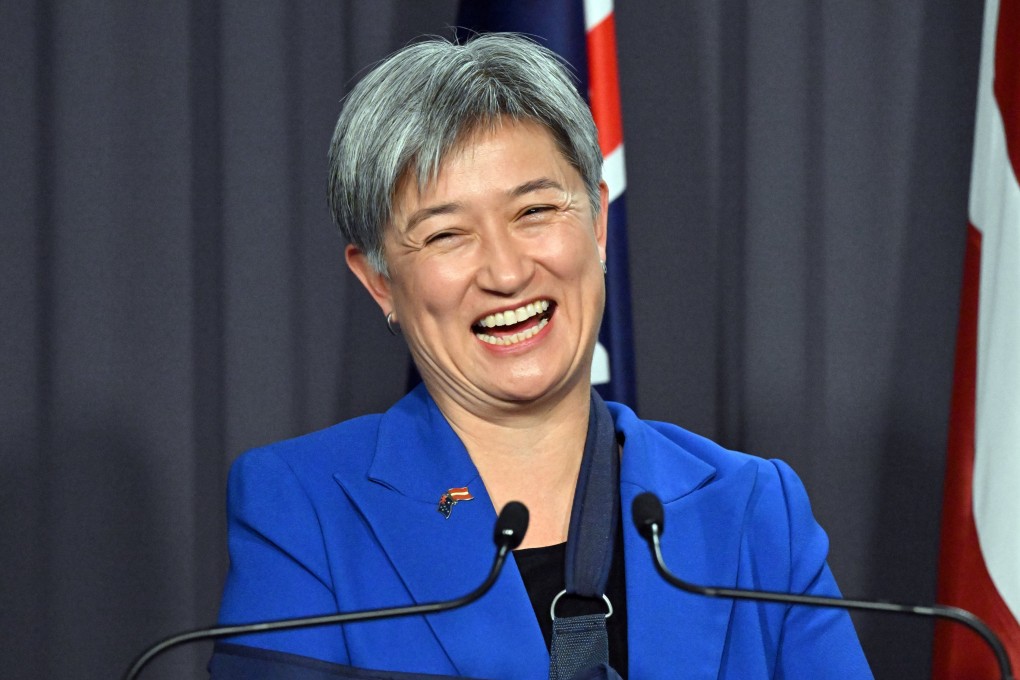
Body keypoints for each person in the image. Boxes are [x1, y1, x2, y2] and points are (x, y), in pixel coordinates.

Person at [210, 33, 872, 679]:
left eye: (534, 211)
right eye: (446, 234)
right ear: (378, 281)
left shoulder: (755, 511)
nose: (505, 271)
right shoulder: (303, 512)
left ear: (598, 224)